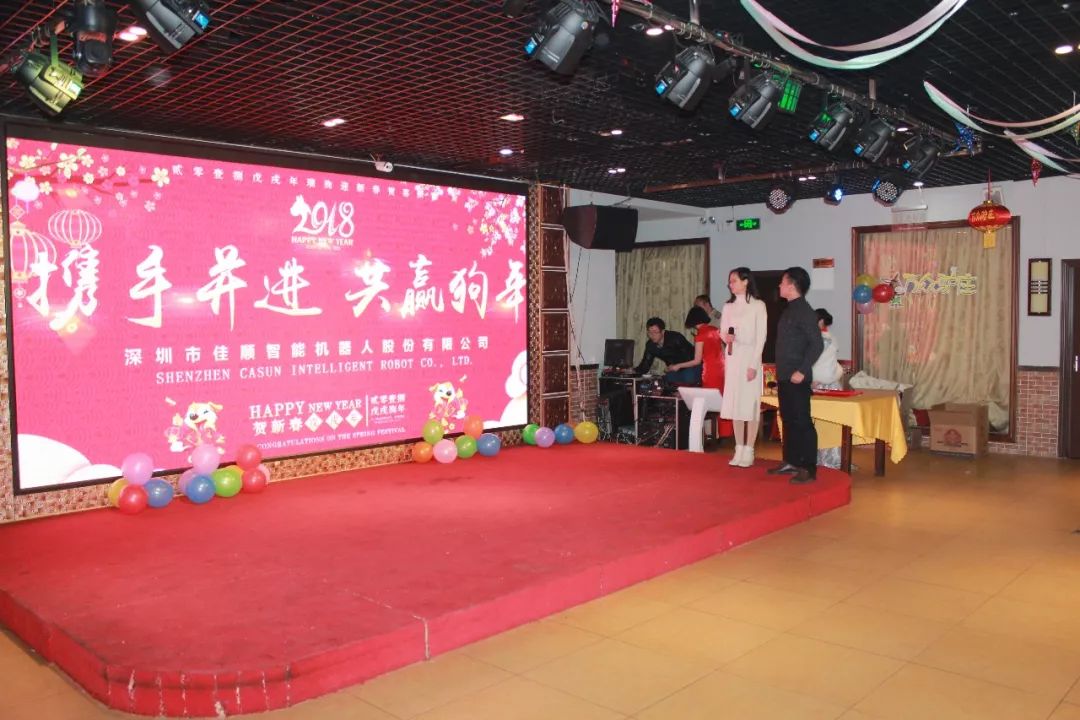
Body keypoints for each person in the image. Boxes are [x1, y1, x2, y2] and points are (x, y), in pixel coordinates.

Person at [767, 267, 824, 484]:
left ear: (791, 285)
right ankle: (791, 461)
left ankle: (808, 468)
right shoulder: (789, 309)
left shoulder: (804, 311)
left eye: (782, 282)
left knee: (802, 422)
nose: (779, 285)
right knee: (789, 420)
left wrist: (802, 370)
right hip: (785, 376)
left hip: (798, 377)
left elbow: (817, 344)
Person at [718, 268, 768, 468]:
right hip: (733, 357)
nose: (730, 284)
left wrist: (754, 364)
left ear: (746, 281)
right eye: (730, 281)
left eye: (734, 280)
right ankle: (738, 448)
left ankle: (749, 449)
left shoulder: (758, 306)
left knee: (750, 404)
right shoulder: (728, 306)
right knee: (736, 404)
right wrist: (726, 337)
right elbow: (722, 331)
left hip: (750, 357)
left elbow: (761, 337)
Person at [812, 308, 845, 470]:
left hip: (818, 385)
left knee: (819, 425)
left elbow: (817, 363)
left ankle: (819, 458)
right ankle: (833, 458)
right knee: (832, 424)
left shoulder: (817, 338)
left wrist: (812, 379)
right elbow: (832, 365)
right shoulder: (832, 338)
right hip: (832, 385)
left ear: (819, 321)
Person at [668, 306, 723, 387]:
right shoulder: (715, 329)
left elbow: (697, 361)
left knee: (710, 393)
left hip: (710, 370)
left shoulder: (700, 336)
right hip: (722, 368)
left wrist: (678, 366)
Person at [633, 317, 697, 384]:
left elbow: (691, 357)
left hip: (691, 366)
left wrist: (677, 366)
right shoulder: (650, 345)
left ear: (663, 331)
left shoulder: (676, 338)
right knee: (665, 382)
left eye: (655, 332)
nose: (652, 335)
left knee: (687, 379)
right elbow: (645, 366)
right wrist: (632, 371)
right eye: (649, 332)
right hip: (674, 370)